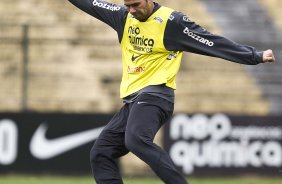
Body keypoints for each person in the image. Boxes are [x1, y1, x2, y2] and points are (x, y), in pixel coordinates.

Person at [68, 0, 276, 183]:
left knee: (136, 140)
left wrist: (254, 55)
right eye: (127, 5)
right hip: (133, 100)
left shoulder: (172, 22)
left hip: (156, 96)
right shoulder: (123, 17)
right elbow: (90, 3)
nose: (131, 10)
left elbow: (210, 41)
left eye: (135, 5)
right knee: (101, 152)